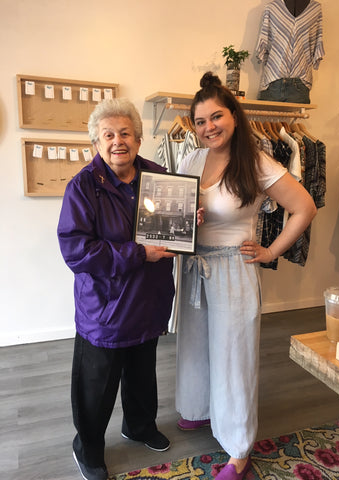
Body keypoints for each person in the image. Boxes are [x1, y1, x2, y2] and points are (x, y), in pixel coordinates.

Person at [175, 72, 317, 480]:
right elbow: (177, 215)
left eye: (215, 117)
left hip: (233, 270)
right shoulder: (191, 159)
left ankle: (238, 449)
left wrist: (271, 250)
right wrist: (189, 220)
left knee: (234, 355)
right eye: (200, 121)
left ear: (234, 115)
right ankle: (199, 410)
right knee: (197, 346)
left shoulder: (256, 160)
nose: (208, 128)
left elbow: (304, 207)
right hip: (194, 269)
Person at [57, 97, 176, 480]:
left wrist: (188, 220)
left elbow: (171, 230)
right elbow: (77, 251)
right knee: (96, 385)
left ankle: (139, 426)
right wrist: (137, 253)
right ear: (96, 143)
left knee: (143, 372)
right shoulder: (83, 187)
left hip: (150, 299)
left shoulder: (159, 177)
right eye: (108, 135)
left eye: (125, 133)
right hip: (106, 308)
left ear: (139, 140)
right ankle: (87, 446)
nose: (117, 141)